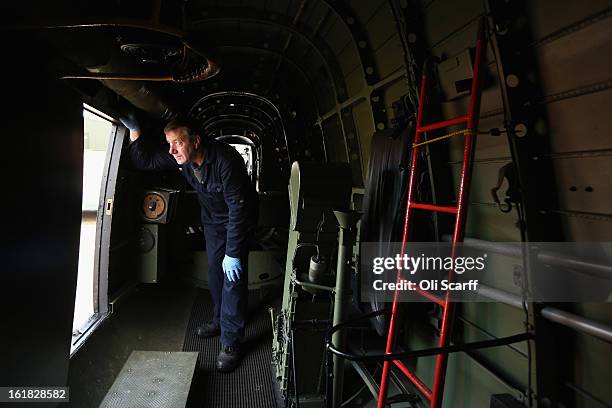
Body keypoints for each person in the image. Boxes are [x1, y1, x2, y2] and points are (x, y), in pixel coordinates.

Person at [121, 112, 258, 372]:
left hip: (238, 219)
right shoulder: (181, 157)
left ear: (195, 141)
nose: (171, 150)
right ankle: (219, 319)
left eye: (178, 143)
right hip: (213, 220)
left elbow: (238, 208)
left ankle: (231, 342)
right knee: (215, 273)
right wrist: (136, 131)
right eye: (169, 143)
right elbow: (144, 161)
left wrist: (234, 252)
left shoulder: (226, 160)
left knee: (233, 278)